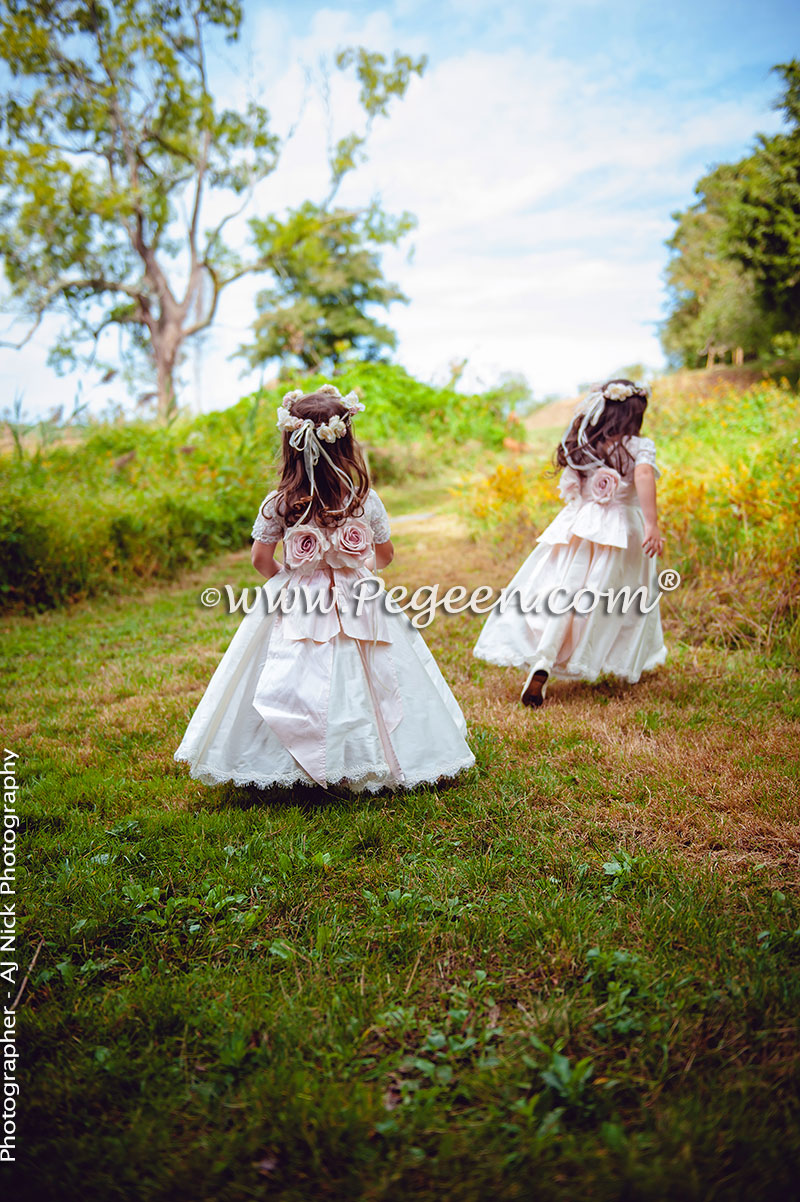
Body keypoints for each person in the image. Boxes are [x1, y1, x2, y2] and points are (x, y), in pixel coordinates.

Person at [175, 383, 475, 791]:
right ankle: (364, 756)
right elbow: (384, 555)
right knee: (370, 675)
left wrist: (292, 578)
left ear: (291, 444)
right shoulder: (364, 500)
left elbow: (260, 560)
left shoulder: (279, 502)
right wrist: (356, 569)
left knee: (293, 673)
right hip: (359, 597)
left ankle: (286, 761)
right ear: (345, 443)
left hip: (298, 598)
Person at [473, 378, 667, 706]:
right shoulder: (638, 446)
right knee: (617, 597)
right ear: (634, 414)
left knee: (565, 589)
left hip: (581, 524)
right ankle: (605, 656)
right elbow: (644, 475)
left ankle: (544, 659)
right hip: (622, 531)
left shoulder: (587, 444)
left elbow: (573, 489)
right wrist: (652, 523)